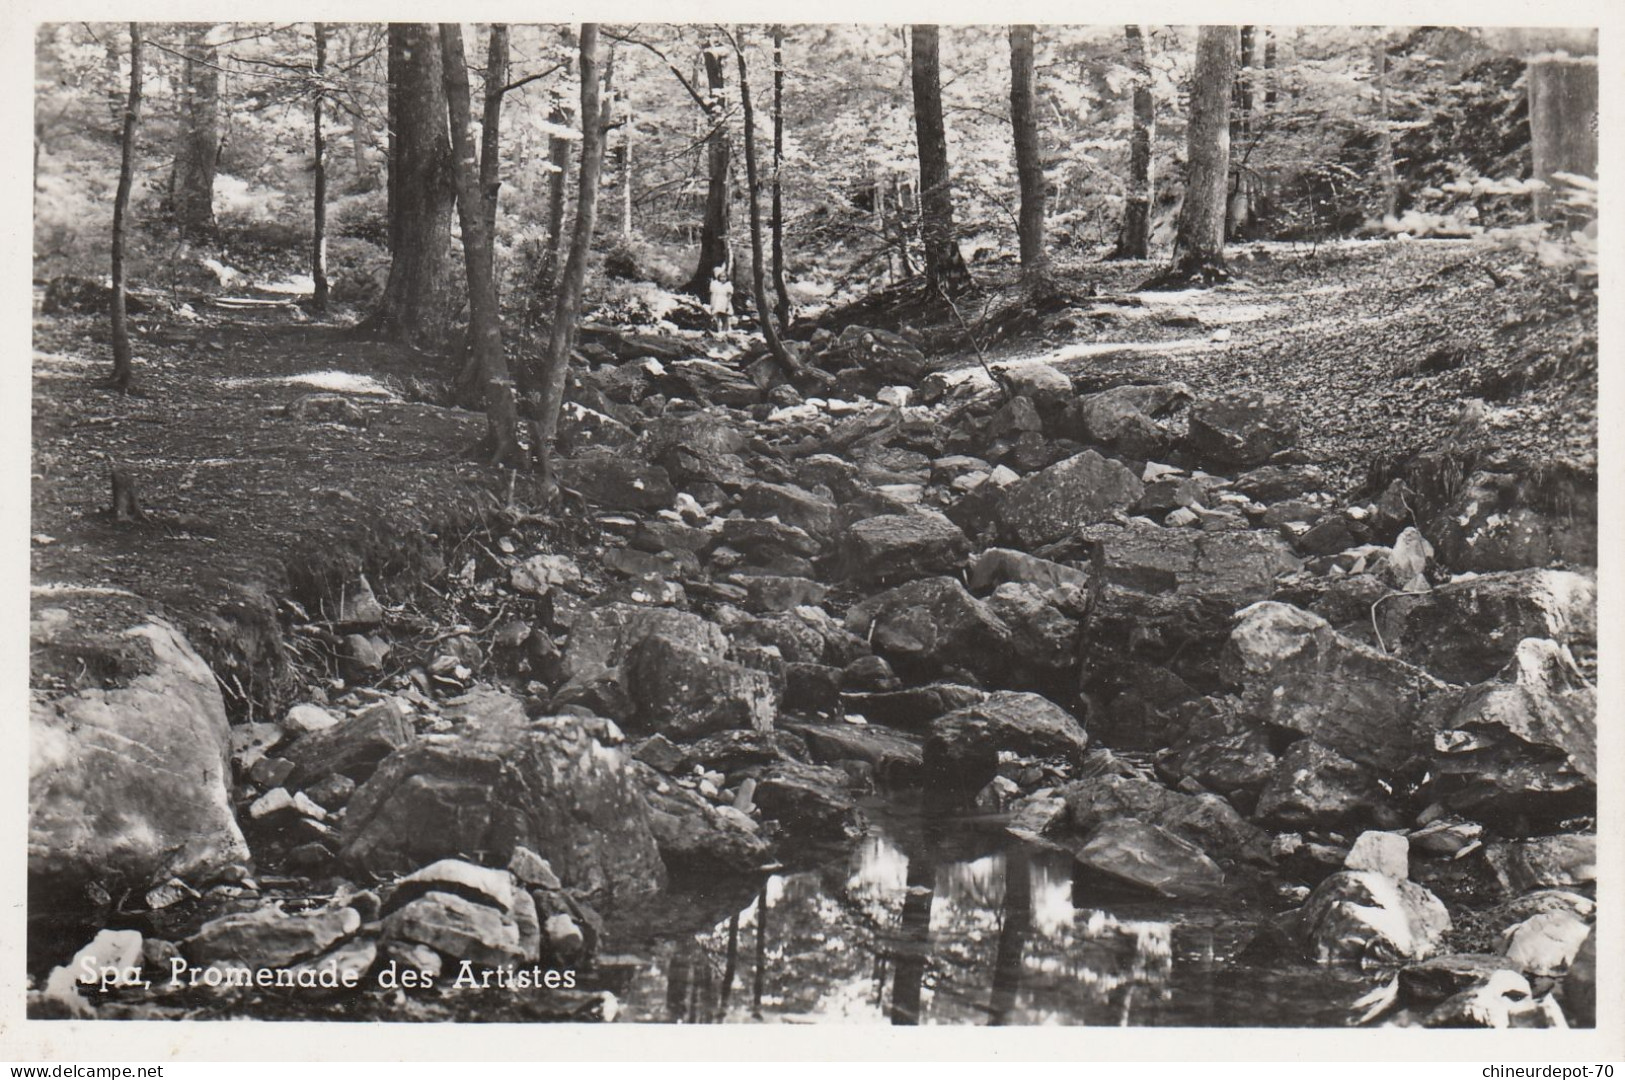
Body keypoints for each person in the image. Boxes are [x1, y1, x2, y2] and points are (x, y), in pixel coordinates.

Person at [708, 264, 734, 333]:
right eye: (721, 277)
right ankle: (717, 330)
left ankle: (725, 331)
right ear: (718, 277)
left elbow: (729, 296)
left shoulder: (728, 285)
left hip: (724, 302)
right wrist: (712, 304)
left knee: (725, 317)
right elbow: (713, 294)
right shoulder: (715, 284)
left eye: (724, 277)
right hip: (717, 301)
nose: (723, 279)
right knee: (716, 316)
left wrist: (727, 305)